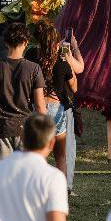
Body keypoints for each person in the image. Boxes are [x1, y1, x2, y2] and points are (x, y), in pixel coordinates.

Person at [25, 19, 83, 185]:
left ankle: (35, 187)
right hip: (56, 108)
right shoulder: (62, 59)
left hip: (36, 107)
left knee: (36, 155)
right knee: (60, 157)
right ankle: (61, 191)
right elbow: (74, 86)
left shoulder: (30, 56)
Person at [0, 25, 46, 162]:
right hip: (25, 130)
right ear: (26, 42)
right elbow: (40, 106)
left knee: (2, 179)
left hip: (1, 129)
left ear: (5, 42)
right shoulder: (34, 68)